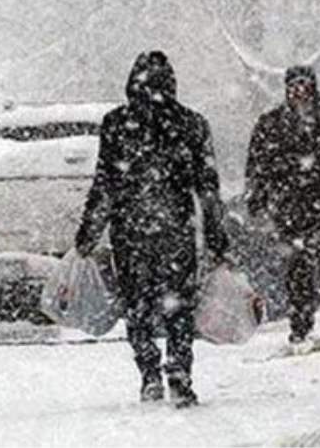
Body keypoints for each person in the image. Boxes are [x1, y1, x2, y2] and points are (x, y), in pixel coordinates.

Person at [75, 51, 230, 408]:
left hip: (131, 231)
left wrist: (88, 234)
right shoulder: (191, 124)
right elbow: (207, 188)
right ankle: (179, 371)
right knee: (179, 307)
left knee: (138, 306)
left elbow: (105, 185)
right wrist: (217, 237)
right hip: (175, 230)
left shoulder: (116, 124)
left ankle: (149, 374)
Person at [246, 65, 320, 345]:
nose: (299, 91)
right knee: (297, 266)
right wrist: (257, 197)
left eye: (304, 85)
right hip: (290, 206)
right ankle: (300, 323)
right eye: (294, 86)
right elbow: (257, 165)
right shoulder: (271, 124)